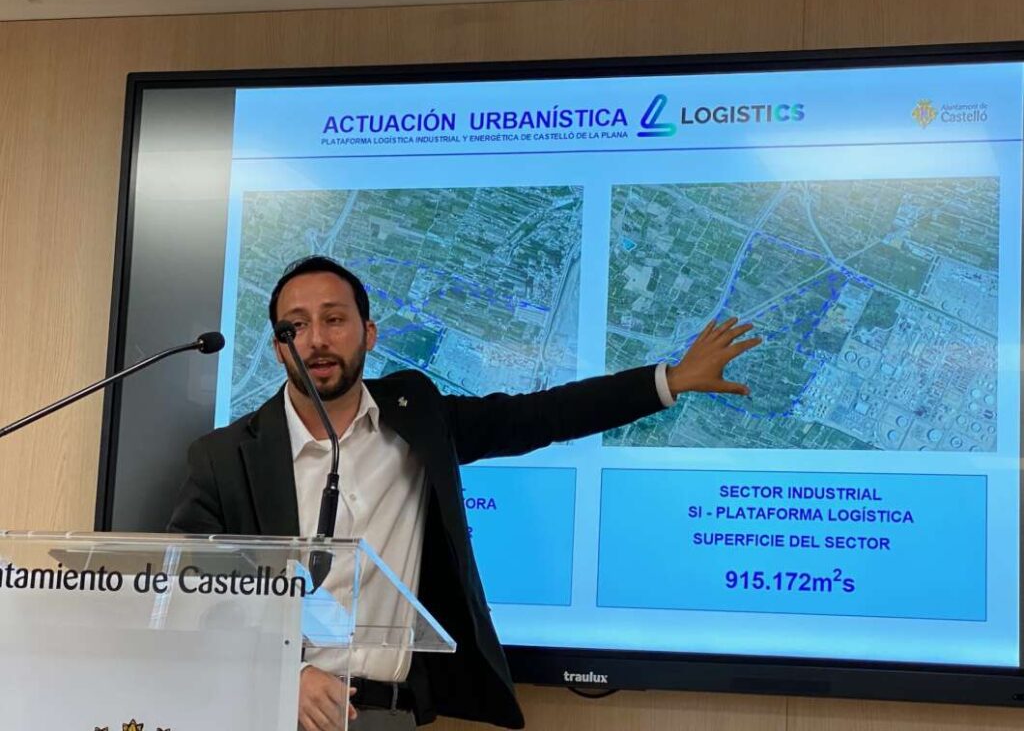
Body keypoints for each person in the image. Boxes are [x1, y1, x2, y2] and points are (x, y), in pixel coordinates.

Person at [168, 255, 760, 731]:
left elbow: (539, 415)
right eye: (295, 327)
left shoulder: (417, 417)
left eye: (335, 319)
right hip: (266, 708)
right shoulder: (225, 458)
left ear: (368, 333)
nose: (316, 339)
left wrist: (668, 381)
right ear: (278, 347)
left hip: (387, 714)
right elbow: (194, 593)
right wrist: (285, 673)